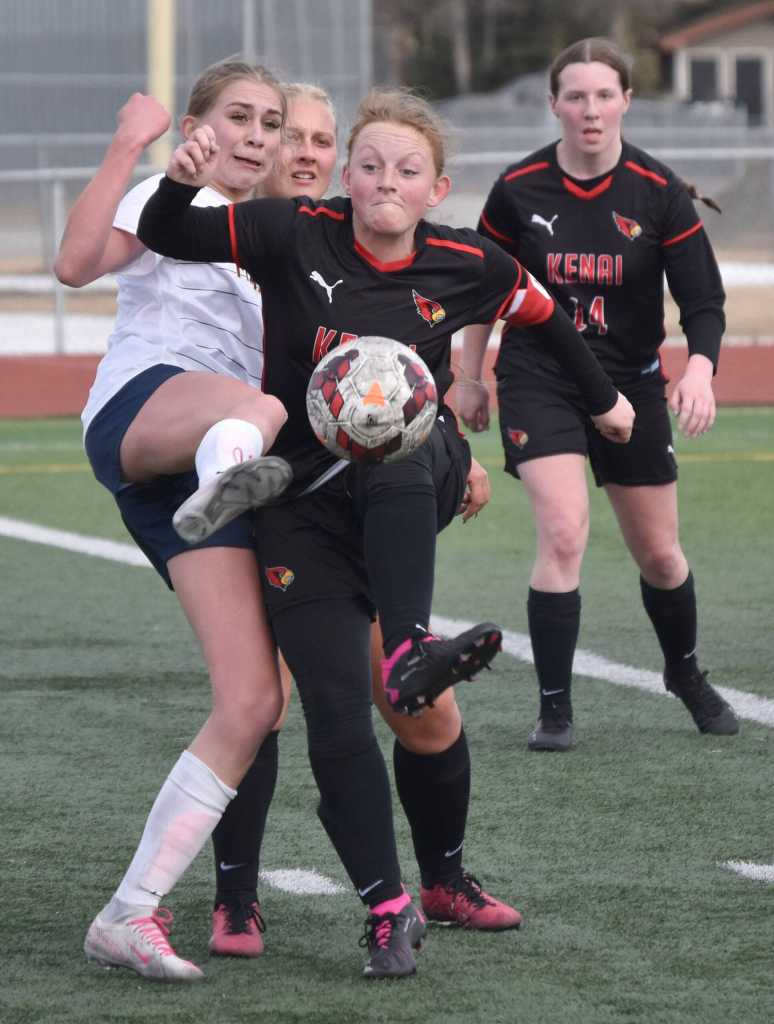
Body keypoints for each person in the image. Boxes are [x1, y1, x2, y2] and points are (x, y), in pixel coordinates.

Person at [136, 85, 635, 979]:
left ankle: (409, 645)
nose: (384, 182)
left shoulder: (467, 260)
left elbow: (543, 318)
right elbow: (172, 234)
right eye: (367, 165)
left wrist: (607, 403)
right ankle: (389, 906)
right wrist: (176, 185)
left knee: (395, 425)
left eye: (406, 170)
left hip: (419, 472)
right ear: (347, 177)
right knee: (333, 705)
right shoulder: (295, 230)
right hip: (306, 512)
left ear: (436, 187)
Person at [207, 82, 523, 963]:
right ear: (259, 148)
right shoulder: (245, 235)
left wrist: (449, 443)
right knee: (259, 702)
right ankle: (236, 895)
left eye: (316, 137)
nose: (302, 151)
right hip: (254, 494)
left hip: (363, 495)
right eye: (287, 137)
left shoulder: (353, 238)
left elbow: (408, 354)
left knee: (419, 710)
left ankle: (443, 882)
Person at [54, 59, 297, 983]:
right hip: (145, 414)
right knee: (252, 410)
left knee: (255, 699)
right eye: (239, 116)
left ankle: (130, 912)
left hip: (200, 473)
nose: (257, 135)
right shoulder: (171, 190)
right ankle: (231, 471)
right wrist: (132, 145)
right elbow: (75, 268)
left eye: (270, 123)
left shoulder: (272, 234)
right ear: (200, 123)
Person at [458, 37, 739, 752]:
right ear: (554, 104)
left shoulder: (659, 190)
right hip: (540, 377)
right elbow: (482, 293)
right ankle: (555, 709)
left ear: (626, 102)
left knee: (662, 557)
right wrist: (468, 375)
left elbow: (703, 302)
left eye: (604, 95)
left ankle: (684, 673)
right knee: (563, 533)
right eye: (575, 96)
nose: (590, 110)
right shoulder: (518, 189)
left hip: (633, 383)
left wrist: (700, 371)